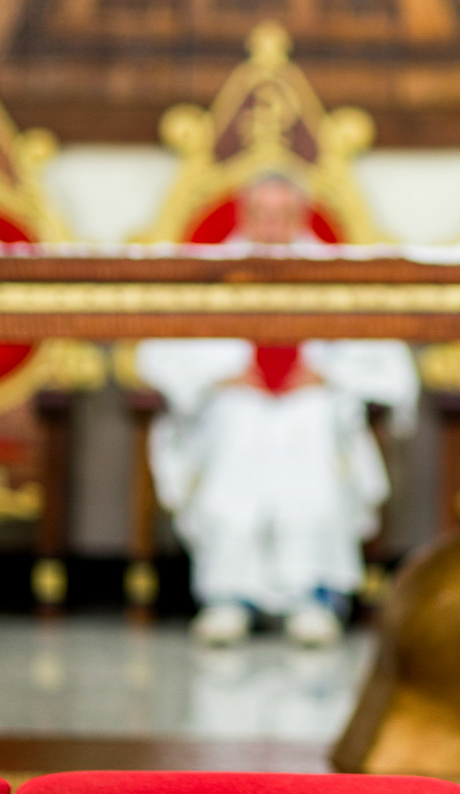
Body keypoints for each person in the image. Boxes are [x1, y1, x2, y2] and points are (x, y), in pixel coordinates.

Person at [136, 175, 419, 648]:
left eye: (282, 215)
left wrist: (329, 376)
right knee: (238, 422)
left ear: (301, 217)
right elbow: (162, 351)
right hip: (231, 402)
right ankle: (227, 596)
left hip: (312, 401)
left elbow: (381, 359)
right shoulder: (209, 272)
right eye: (261, 215)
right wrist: (220, 375)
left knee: (310, 423)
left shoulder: (336, 274)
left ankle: (314, 596)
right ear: (243, 217)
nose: (271, 226)